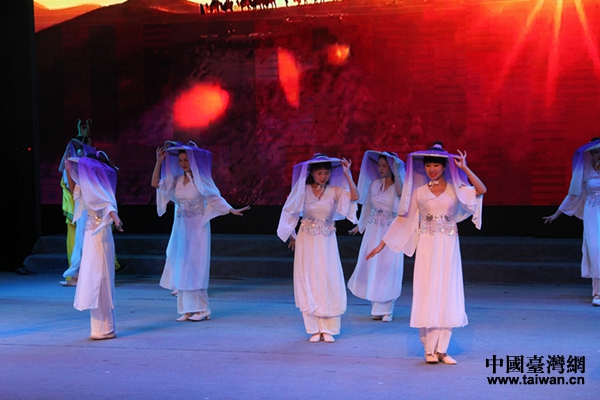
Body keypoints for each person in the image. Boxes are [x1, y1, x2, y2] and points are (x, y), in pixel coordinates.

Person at [367, 142, 486, 364]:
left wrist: (465, 168)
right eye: (429, 165)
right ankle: (429, 349)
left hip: (448, 247)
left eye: (436, 165)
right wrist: (382, 244)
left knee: (447, 292)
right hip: (427, 248)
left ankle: (443, 350)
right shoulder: (419, 192)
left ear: (444, 167)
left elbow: (481, 190)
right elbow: (403, 220)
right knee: (428, 292)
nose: (432, 169)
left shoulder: (455, 189)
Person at [151, 141, 250, 322]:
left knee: (196, 267)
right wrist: (159, 162)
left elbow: (214, 198)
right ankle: (186, 309)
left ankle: (202, 309)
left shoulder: (200, 180)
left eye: (186, 160)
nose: (183, 163)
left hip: (198, 228)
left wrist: (231, 209)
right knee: (183, 265)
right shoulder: (177, 180)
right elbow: (155, 183)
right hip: (182, 228)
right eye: (181, 160)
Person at [277, 154, 358, 343]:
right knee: (309, 278)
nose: (323, 176)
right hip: (307, 240)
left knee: (328, 278)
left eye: (326, 173)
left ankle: (329, 328)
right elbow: (289, 210)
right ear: (312, 173)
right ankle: (314, 328)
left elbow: (354, 197)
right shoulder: (303, 190)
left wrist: (347, 174)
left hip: (327, 241)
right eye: (319, 173)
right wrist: (291, 233)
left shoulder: (334, 191)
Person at [65, 151, 123, 340]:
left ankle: (107, 327)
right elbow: (74, 192)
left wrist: (117, 220)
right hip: (90, 236)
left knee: (101, 278)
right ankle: (98, 327)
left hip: (101, 236)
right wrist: (68, 170)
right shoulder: (84, 186)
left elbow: (109, 205)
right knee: (91, 277)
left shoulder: (100, 187)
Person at [347, 151, 405, 322]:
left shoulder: (398, 186)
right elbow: (367, 207)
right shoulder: (373, 185)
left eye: (385, 165)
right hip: (373, 231)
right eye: (379, 165)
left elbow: (401, 195)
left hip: (391, 231)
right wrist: (360, 225)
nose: (381, 168)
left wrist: (397, 171)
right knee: (373, 266)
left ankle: (387, 309)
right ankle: (376, 307)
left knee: (388, 267)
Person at [543, 137, 600, 306]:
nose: (597, 155)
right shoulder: (586, 171)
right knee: (595, 251)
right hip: (592, 214)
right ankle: (597, 293)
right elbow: (574, 194)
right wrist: (557, 214)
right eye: (595, 152)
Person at [59, 129, 95, 286]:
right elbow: (73, 189)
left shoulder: (94, 170)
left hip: (92, 211)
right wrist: (68, 169)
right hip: (82, 210)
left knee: (89, 244)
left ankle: (89, 276)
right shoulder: (78, 173)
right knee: (81, 244)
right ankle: (76, 275)